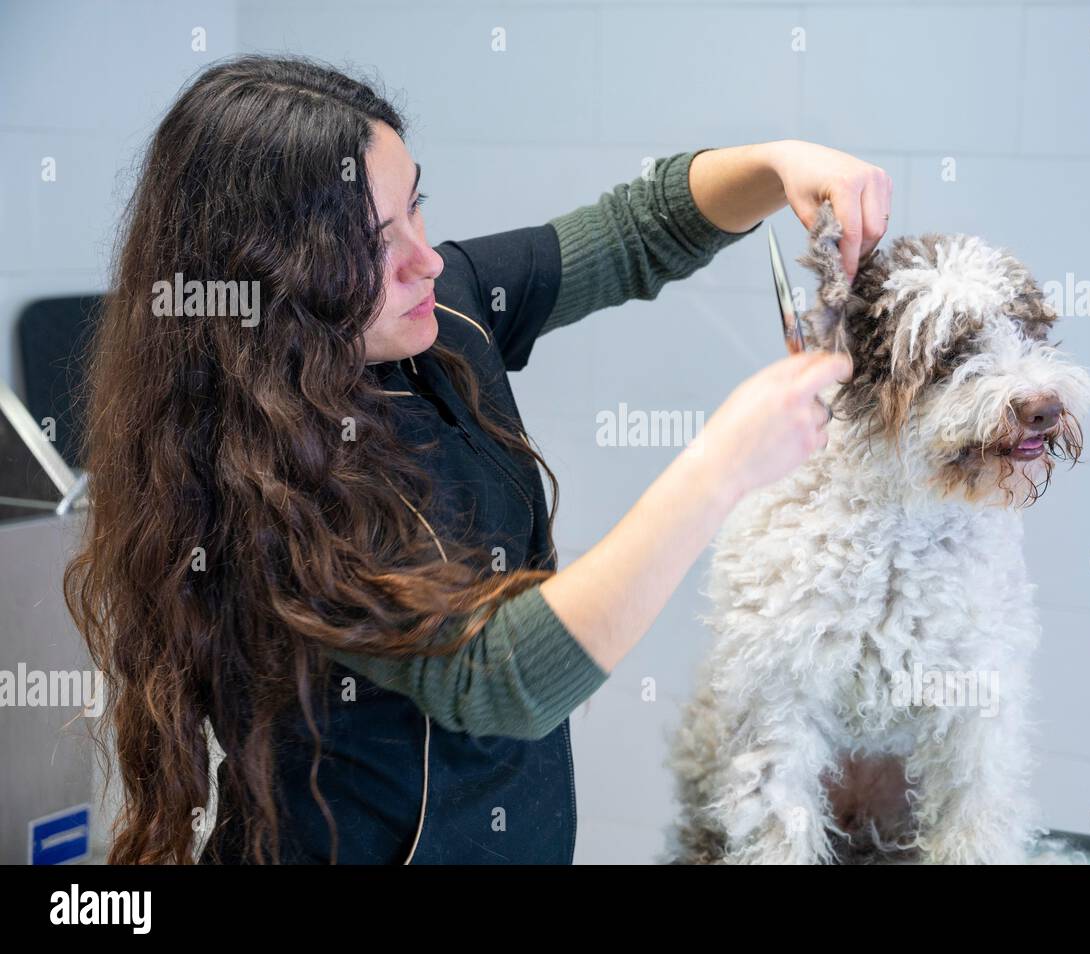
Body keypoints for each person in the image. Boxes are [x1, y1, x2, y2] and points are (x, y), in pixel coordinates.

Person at [64, 54, 891, 864]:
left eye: (415, 208)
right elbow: (497, 676)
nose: (423, 258)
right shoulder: (267, 485)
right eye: (370, 247)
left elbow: (640, 229)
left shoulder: (443, 307)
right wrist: (719, 469)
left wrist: (777, 162)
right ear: (273, 279)